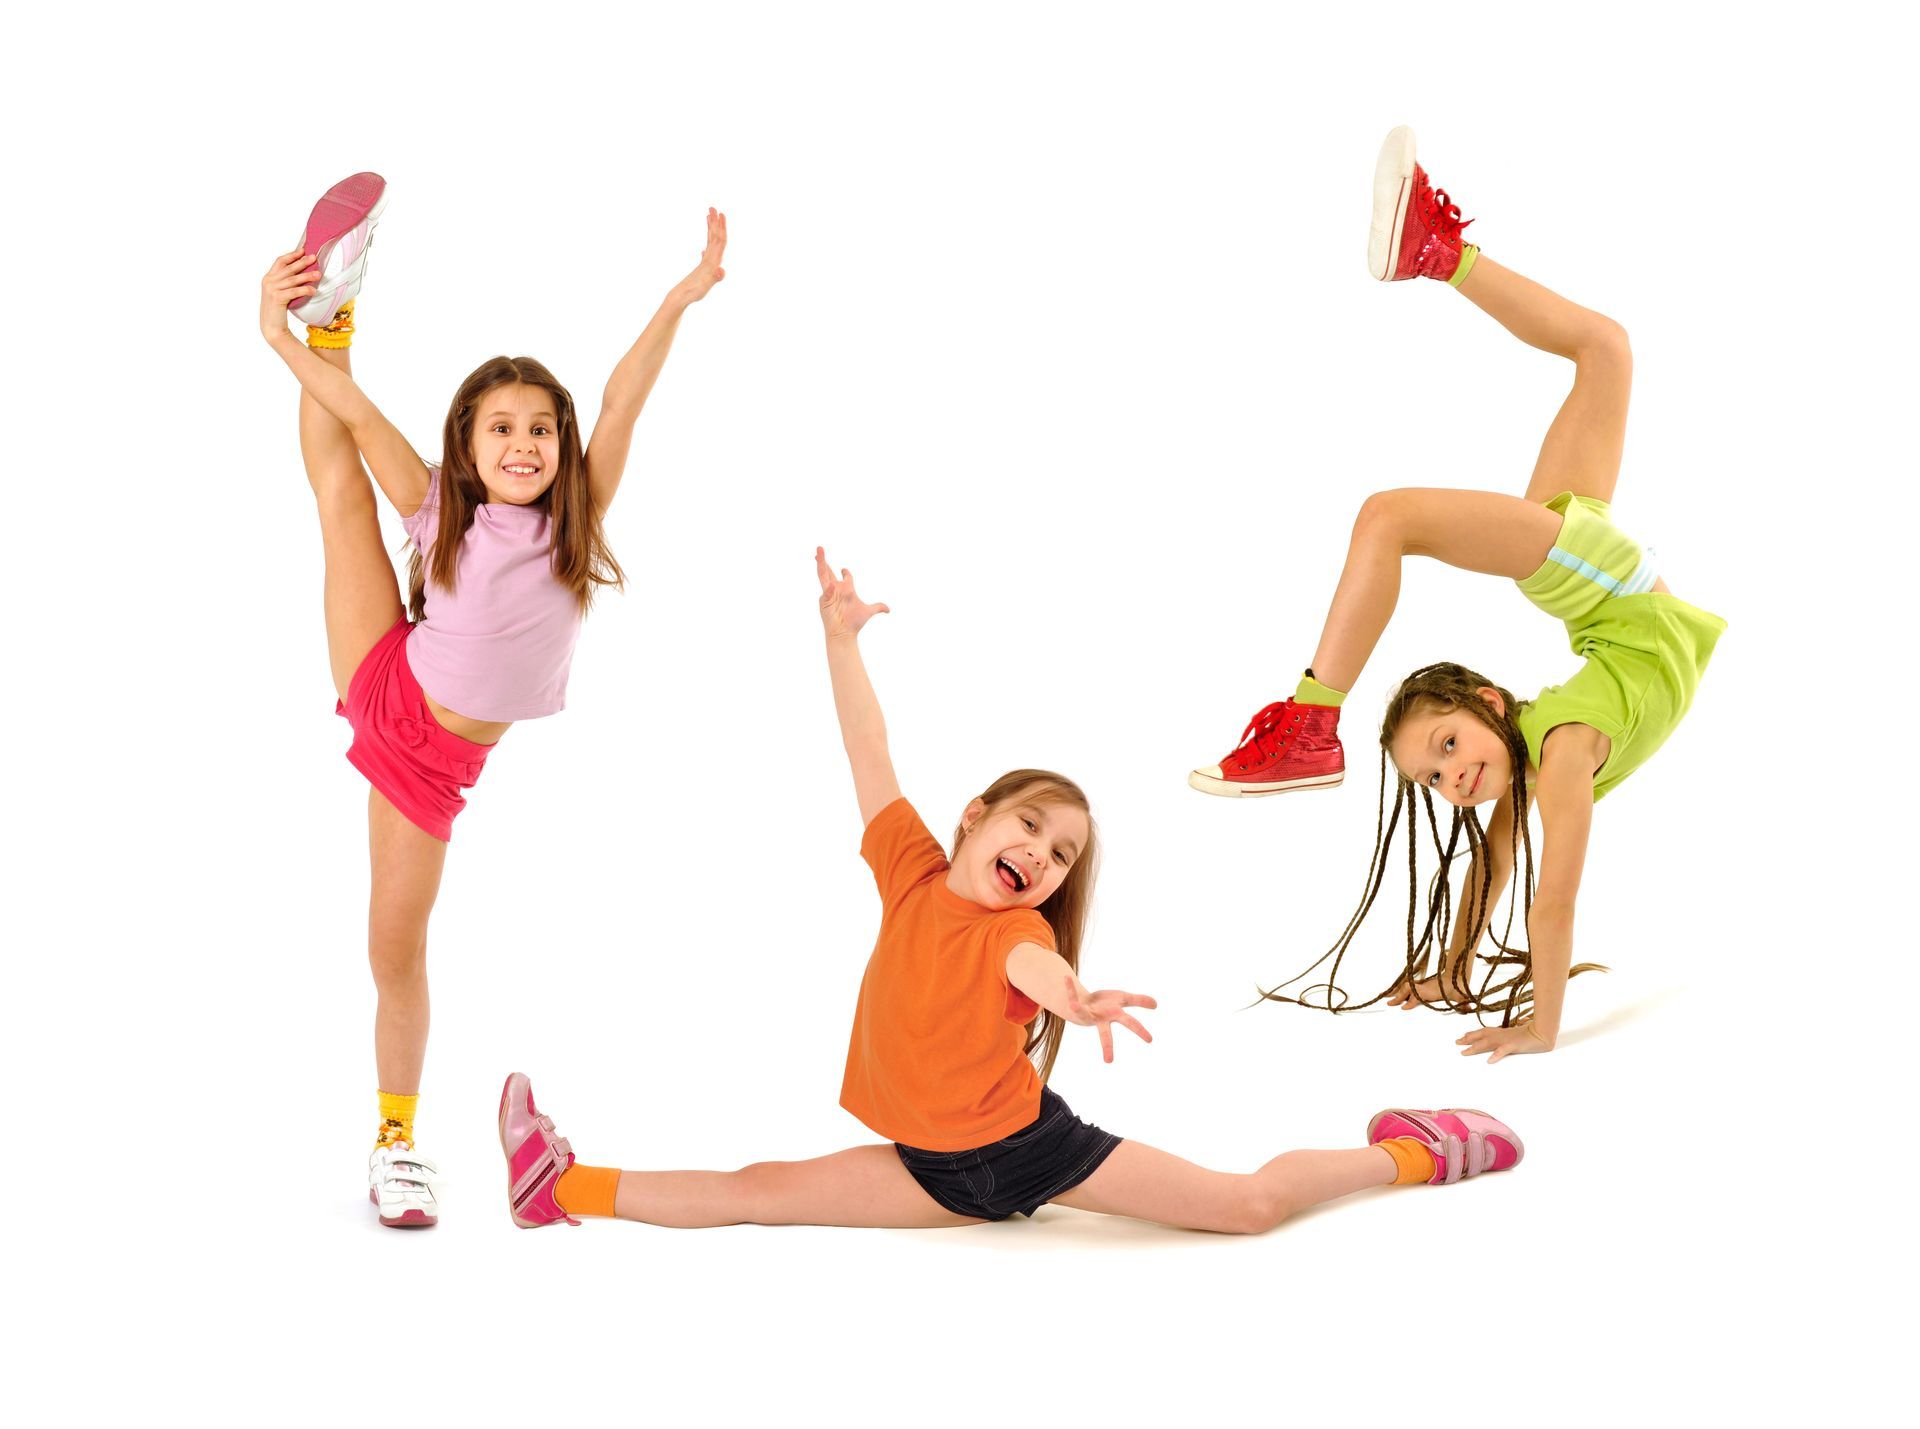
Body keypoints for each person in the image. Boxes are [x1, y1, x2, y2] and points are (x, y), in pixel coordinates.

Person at [494, 550, 1521, 1233]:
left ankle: (1414, 1155)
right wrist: (840, 642)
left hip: (1031, 1151)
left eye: (1064, 852)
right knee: (757, 1191)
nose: (1042, 853)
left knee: (1245, 1206)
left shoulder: (1019, 929)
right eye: (1030, 824)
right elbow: (870, 752)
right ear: (975, 815)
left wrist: (1072, 996)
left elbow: (1035, 967)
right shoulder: (909, 872)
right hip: (929, 1170)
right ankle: (561, 1186)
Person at [1189, 129, 1725, 1062]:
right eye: (1433, 779)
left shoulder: (1555, 750)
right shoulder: (1549, 757)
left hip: (1609, 588)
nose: (1450, 779)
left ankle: (1313, 720)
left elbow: (1550, 898)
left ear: (1486, 702)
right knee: (1604, 349)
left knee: (1389, 515)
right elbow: (1506, 870)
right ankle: (1437, 250)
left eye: (1443, 749)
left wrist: (1541, 1028)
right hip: (1607, 598)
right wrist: (1448, 966)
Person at [257, 173, 727, 1225]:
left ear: (559, 452)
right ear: (467, 447)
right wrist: (286, 341)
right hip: (392, 690)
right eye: (500, 429)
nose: (523, 445)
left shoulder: (576, 520)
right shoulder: (441, 511)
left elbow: (621, 397)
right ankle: (395, 1142)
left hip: (439, 763)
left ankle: (390, 1131)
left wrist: (683, 296)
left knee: (393, 947)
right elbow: (359, 418)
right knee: (342, 499)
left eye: (538, 432)